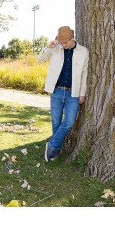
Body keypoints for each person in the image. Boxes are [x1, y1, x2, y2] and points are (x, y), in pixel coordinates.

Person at [37, 26, 89, 162]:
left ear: (72, 39)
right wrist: (48, 47)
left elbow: (85, 74)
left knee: (69, 121)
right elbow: (40, 59)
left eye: (65, 42)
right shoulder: (55, 48)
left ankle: (52, 145)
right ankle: (55, 151)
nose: (63, 44)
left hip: (73, 93)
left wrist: (82, 94)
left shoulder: (83, 52)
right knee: (56, 122)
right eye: (61, 42)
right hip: (56, 91)